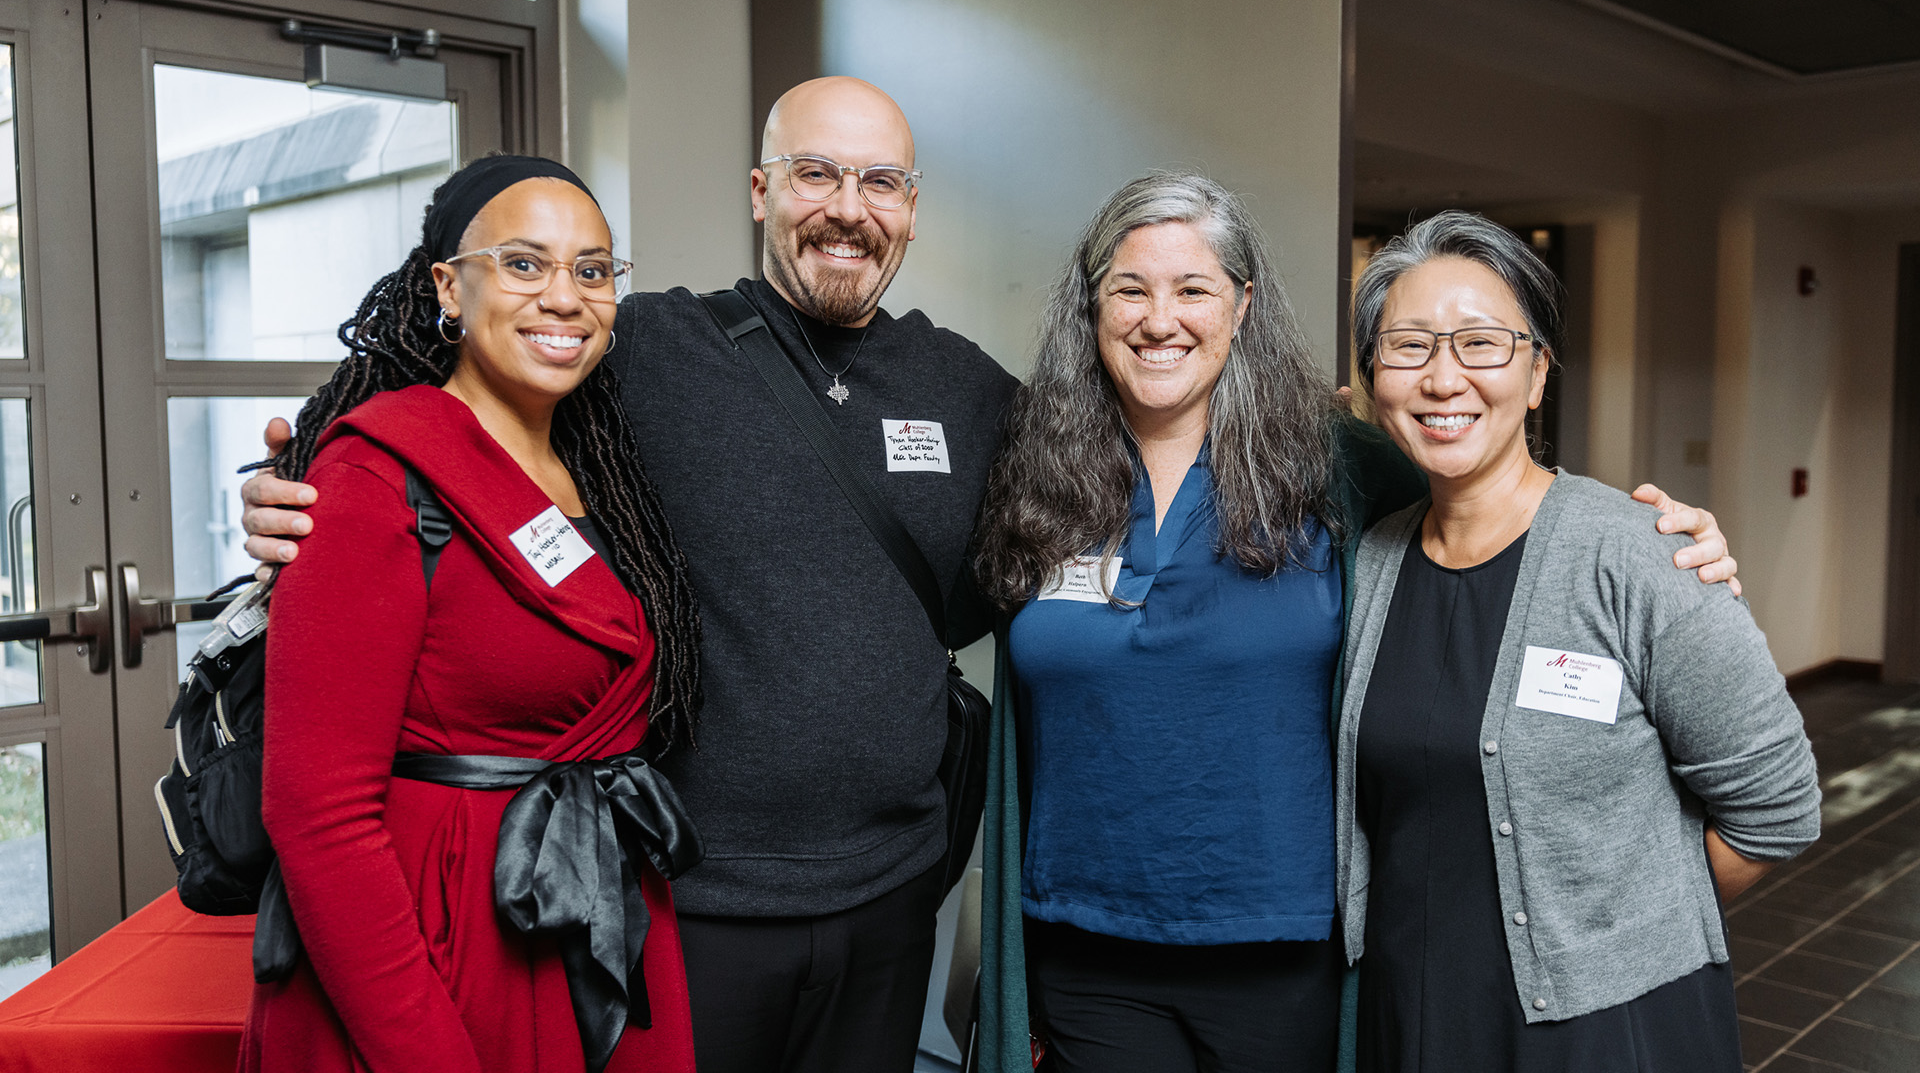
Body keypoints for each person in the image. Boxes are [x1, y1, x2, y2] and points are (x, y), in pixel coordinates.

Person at [241, 78, 1017, 1073]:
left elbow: (1090, 485)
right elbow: (444, 391)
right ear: (760, 190)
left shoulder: (970, 388)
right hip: (687, 901)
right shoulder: (643, 346)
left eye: (881, 182)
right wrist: (292, 484)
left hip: (896, 892)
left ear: (911, 208)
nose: (847, 208)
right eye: (814, 174)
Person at [969, 175, 1742, 1073]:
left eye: (1194, 290)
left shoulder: (1337, 465)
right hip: (1086, 945)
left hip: (1285, 952)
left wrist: (1658, 550)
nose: (1159, 318)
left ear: (1243, 303)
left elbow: (1492, 515)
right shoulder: (1034, 466)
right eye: (1130, 289)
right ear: (1091, 304)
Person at [239, 155, 705, 1073]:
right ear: (450, 286)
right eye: (525, 264)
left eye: (593, 269)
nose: (564, 297)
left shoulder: (601, 470)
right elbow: (316, 815)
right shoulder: (374, 478)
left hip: (576, 913)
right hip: (437, 951)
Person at [1335, 210, 1821, 1072]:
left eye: (1482, 344)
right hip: (1415, 1012)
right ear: (1373, 379)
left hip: (1606, 1028)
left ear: (1537, 375)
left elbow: (1777, 807)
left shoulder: (1636, 554)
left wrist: (1619, 934)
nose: (1444, 378)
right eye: (1408, 347)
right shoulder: (1372, 557)